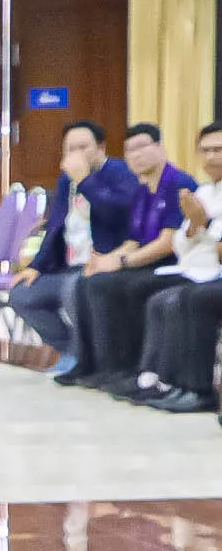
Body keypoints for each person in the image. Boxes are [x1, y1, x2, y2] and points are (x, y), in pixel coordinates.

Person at [63, 122, 198, 392]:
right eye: (129, 151)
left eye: (142, 148)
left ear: (159, 148)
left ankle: (126, 368)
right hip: (151, 262)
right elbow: (134, 240)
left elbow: (167, 243)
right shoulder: (143, 189)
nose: (135, 156)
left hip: (177, 264)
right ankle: (97, 365)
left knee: (118, 285)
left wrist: (122, 263)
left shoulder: (177, 182)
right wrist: (105, 261)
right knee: (89, 280)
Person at [8, 121, 141, 378]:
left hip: (105, 265)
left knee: (73, 290)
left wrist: (85, 180)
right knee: (22, 295)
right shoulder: (65, 180)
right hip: (68, 267)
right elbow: (57, 226)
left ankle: (91, 359)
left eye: (83, 147)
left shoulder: (120, 172)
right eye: (71, 148)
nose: (77, 154)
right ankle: (72, 350)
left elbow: (117, 214)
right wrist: (35, 267)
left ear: (100, 147)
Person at [130, 122, 222, 414]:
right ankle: (164, 382)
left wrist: (203, 226)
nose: (211, 157)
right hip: (197, 271)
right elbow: (181, 245)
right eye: (205, 151)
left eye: (218, 150)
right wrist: (196, 224)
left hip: (213, 275)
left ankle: (200, 390)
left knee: (191, 299)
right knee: (161, 300)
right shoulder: (205, 193)